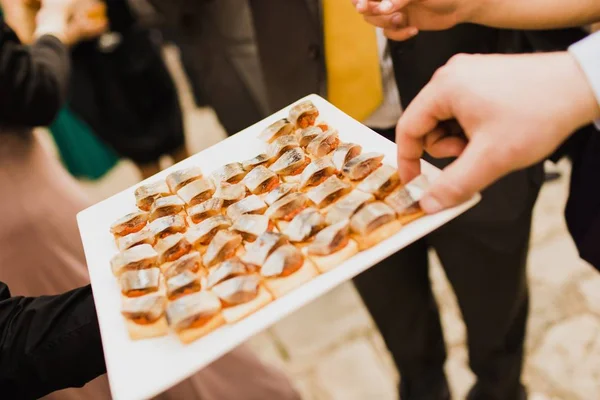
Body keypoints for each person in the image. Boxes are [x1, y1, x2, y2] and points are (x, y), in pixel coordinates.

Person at [145, 1, 544, 398]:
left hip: (474, 117)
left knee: (496, 313)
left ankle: (501, 389)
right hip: (329, 139)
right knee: (401, 326)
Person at [0, 1, 300, 399]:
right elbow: (32, 89)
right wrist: (52, 30)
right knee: (137, 318)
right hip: (20, 206)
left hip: (30, 175)